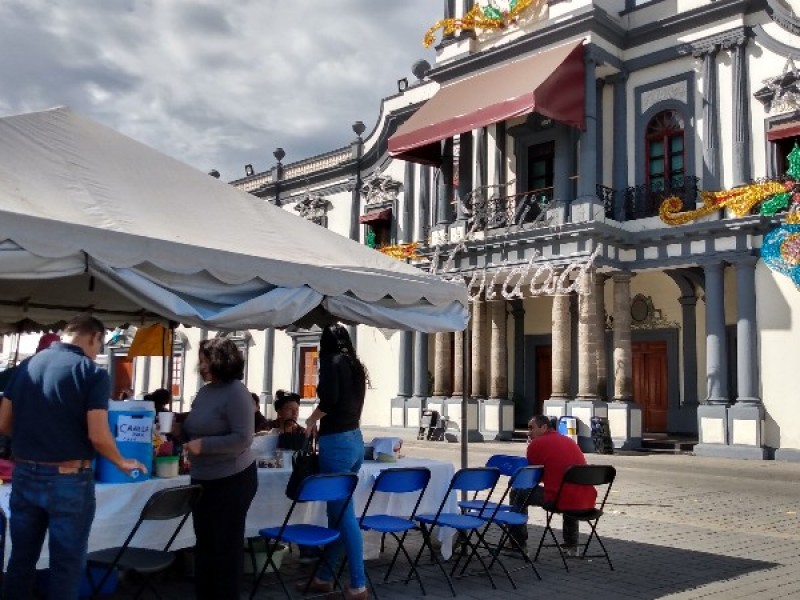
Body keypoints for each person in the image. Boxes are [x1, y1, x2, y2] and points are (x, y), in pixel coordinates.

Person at [0, 314, 146, 600]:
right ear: (94, 337)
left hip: (26, 473)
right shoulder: (90, 372)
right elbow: (98, 434)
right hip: (68, 479)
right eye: (99, 345)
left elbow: (3, 422)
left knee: (20, 560)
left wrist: (33, 437)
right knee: (66, 565)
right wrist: (121, 461)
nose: (97, 352)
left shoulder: (28, 365)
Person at [181, 337, 257, 600]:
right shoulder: (204, 392)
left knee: (225, 549)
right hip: (202, 479)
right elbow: (195, 425)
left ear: (221, 362)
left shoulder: (237, 392)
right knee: (205, 546)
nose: (201, 366)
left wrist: (204, 446)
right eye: (200, 360)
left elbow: (243, 438)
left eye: (205, 360)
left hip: (231, 480)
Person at [302, 324, 369, 600]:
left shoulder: (332, 362)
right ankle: (325, 577)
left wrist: (310, 420)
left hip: (337, 442)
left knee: (344, 516)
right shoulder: (356, 365)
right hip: (355, 439)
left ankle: (358, 584)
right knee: (337, 515)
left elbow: (328, 400)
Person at [508, 415, 597, 554]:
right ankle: (572, 545)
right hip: (586, 501)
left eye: (532, 428)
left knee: (518, 492)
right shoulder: (568, 441)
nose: (528, 432)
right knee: (570, 491)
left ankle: (518, 544)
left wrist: (531, 447)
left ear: (544, 427)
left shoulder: (537, 444)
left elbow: (533, 477)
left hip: (559, 501)